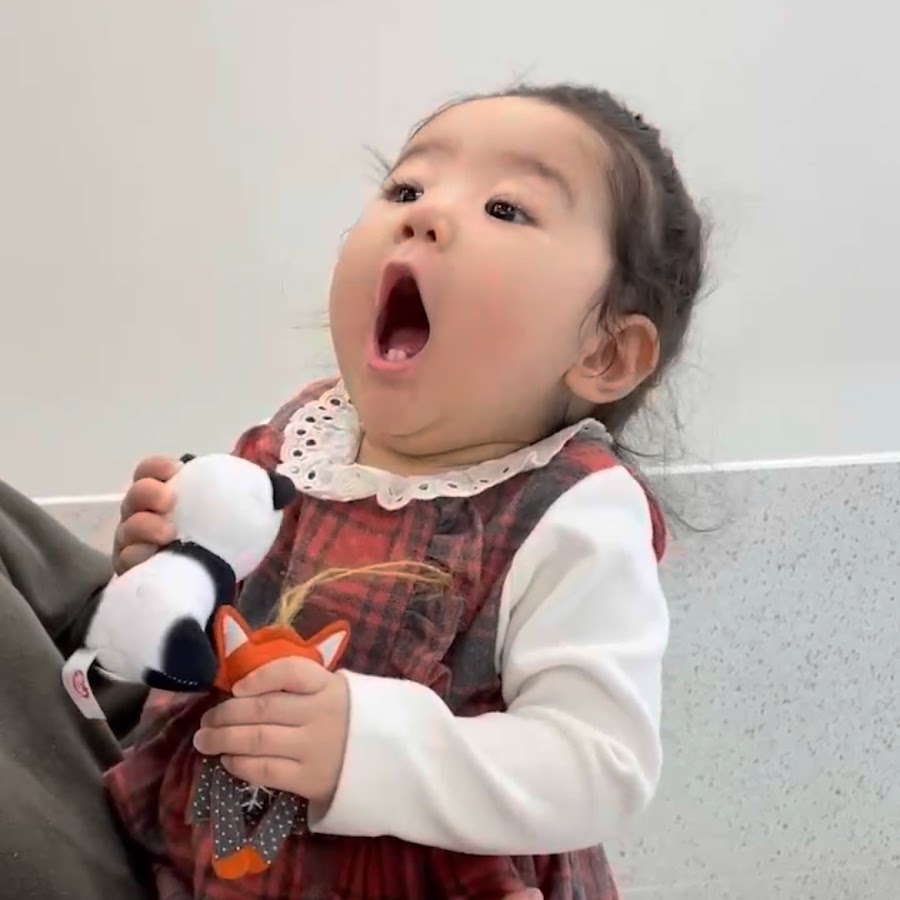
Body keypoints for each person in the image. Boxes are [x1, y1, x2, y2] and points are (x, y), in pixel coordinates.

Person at [0, 83, 705, 898]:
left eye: (506, 209)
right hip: (213, 827)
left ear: (606, 355)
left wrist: (367, 744)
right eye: (406, 188)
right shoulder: (311, 429)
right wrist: (167, 567)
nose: (425, 215)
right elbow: (233, 602)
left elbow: (601, 765)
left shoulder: (574, 510)